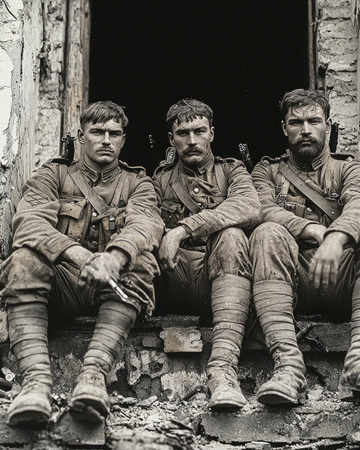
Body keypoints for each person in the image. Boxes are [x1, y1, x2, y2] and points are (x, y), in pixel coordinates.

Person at [0, 101, 163, 426]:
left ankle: (93, 377)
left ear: (123, 140)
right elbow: (29, 223)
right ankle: (35, 385)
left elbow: (145, 224)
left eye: (114, 134)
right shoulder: (53, 174)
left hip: (113, 286)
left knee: (141, 260)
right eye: (97, 132)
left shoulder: (138, 183)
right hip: (62, 283)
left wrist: (115, 258)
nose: (106, 140)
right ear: (81, 136)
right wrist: (80, 255)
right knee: (23, 260)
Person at [249, 89, 360, 406]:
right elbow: (260, 209)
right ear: (284, 128)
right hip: (288, 283)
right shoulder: (266, 172)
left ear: (329, 125)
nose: (305, 130)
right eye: (296, 122)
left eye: (314, 121)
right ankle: (288, 369)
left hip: (342, 280)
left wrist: (337, 237)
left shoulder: (347, 169)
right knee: (266, 232)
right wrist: (310, 229)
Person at [153, 98, 261, 410]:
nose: (192, 140)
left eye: (199, 131)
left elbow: (250, 206)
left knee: (231, 235)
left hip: (224, 280)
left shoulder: (232, 170)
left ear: (212, 133)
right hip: (174, 276)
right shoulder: (158, 180)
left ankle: (223, 372)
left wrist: (183, 229)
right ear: (171, 139)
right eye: (182, 133)